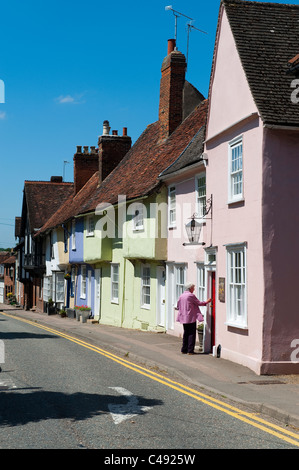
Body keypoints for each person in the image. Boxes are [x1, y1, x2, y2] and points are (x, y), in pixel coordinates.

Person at [176, 282, 211, 355]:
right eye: (193, 288)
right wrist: (206, 302)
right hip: (190, 317)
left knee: (186, 333)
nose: (194, 289)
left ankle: (184, 349)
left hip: (183, 317)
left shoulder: (181, 296)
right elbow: (198, 303)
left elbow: (178, 305)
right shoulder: (190, 295)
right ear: (190, 288)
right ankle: (190, 350)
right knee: (191, 333)